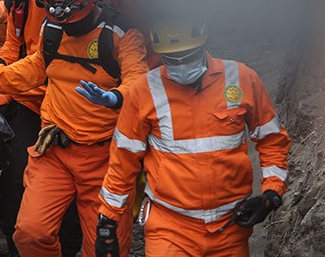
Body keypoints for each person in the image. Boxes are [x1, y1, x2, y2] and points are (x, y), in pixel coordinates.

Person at [0, 0, 149, 257]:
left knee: (105, 247)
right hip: (54, 149)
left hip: (105, 158)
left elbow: (138, 79)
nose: (66, 25)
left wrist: (116, 98)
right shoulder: (53, 27)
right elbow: (35, 67)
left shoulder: (121, 34)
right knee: (31, 234)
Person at [95, 21, 290, 257]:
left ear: (204, 43)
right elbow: (123, 160)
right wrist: (108, 220)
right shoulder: (144, 90)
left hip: (230, 228)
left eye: (187, 56)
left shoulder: (242, 79)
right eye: (172, 59)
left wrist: (271, 194)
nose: (180, 65)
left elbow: (272, 140)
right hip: (170, 229)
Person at [0, 0, 82, 257]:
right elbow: (12, 48)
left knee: (75, 196)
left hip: (76, 106)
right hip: (32, 102)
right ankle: (11, 239)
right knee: (13, 182)